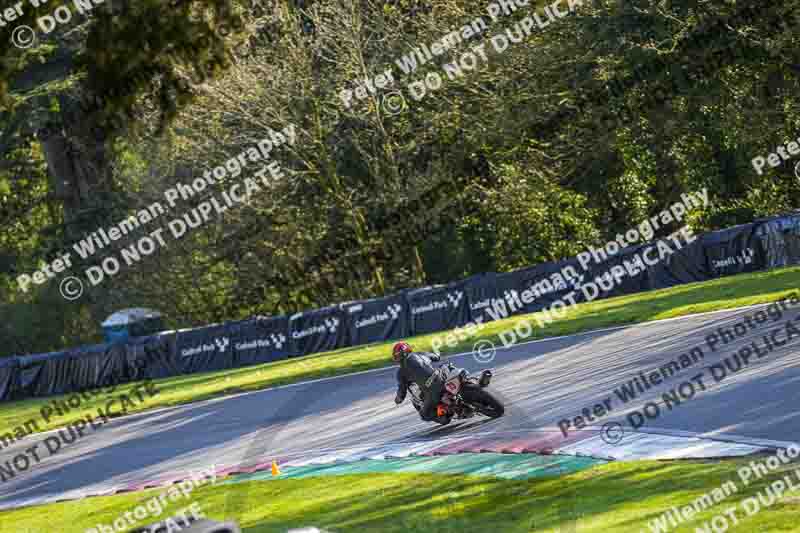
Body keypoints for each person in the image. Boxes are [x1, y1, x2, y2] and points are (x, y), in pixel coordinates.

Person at [392, 341, 451, 425]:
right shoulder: (420, 354)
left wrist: (398, 399)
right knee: (446, 368)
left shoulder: (401, 372)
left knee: (424, 414)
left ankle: (444, 413)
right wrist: (437, 354)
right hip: (442, 377)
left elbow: (402, 390)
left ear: (397, 357)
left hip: (433, 391)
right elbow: (436, 357)